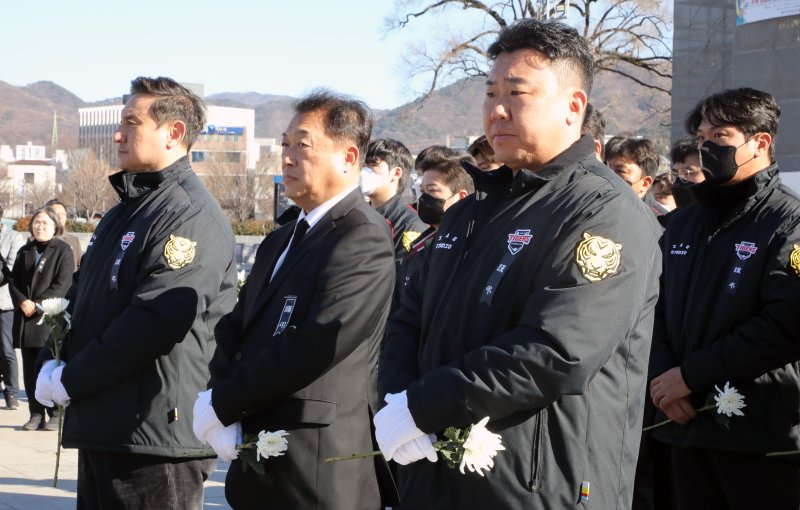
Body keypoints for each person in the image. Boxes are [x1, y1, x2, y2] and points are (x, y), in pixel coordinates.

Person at [375, 19, 661, 509]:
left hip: (535, 486)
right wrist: (397, 399)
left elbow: (555, 350)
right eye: (490, 93)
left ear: (574, 106)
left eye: (517, 93)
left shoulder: (603, 211)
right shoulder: (470, 210)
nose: (497, 110)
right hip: (434, 473)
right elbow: (408, 312)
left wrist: (422, 405)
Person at [34, 76, 237, 509]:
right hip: (111, 424)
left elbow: (153, 322)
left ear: (174, 133)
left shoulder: (186, 213)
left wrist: (71, 379)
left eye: (131, 121)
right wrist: (54, 359)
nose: (117, 133)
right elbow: (88, 301)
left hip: (152, 436)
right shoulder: (126, 211)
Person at [194, 90, 397, 510]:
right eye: (284, 145)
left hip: (317, 465)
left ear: (347, 157)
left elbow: (320, 340)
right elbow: (237, 326)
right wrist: (217, 395)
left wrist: (225, 403)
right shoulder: (280, 239)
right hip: (260, 457)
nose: (286, 157)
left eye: (301, 146)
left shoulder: (363, 236)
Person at [649, 87, 800, 509]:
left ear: (761, 142)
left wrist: (691, 376)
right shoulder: (684, 223)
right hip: (681, 422)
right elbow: (653, 306)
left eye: (721, 136)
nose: (707, 147)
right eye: (701, 139)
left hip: (757, 434)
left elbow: (785, 324)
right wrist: (664, 380)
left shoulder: (789, 221)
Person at [9, 207, 73, 431]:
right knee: (29, 369)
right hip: (26, 320)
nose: (40, 226)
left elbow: (62, 285)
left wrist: (36, 305)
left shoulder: (62, 250)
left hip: (49, 319)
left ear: (56, 226)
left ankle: (56, 412)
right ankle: (35, 414)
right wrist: (21, 301)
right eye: (37, 222)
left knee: (50, 366)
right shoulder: (25, 251)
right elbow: (14, 281)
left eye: (45, 223)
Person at [362, 138, 426, 259]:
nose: (364, 171)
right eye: (364, 165)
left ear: (396, 173)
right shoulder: (359, 213)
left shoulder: (409, 223)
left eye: (373, 165)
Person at [606, 136, 668, 217]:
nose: (608, 176)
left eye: (620, 171)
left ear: (645, 183)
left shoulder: (661, 223)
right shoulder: (595, 207)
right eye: (606, 168)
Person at [0, 205, 24, 410]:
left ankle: (11, 392)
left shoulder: (13, 238)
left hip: (4, 303)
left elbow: (10, 270)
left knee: (6, 349)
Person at [45, 198, 83, 271]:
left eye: (63, 213)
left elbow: (79, 266)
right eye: (57, 213)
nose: (60, 216)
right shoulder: (38, 240)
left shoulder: (74, 240)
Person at [668, 136, 705, 208]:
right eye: (676, 174)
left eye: (688, 172)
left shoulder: (727, 215)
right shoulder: (673, 218)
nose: (681, 179)